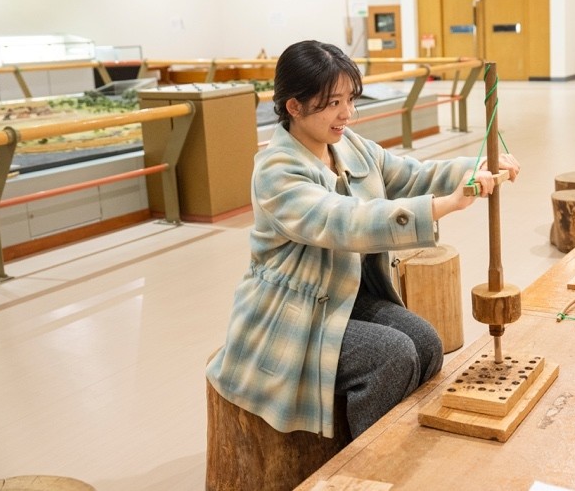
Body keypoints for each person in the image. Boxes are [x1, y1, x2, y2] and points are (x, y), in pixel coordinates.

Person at [206, 40, 520, 439]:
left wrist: (476, 167)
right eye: (333, 103)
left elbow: (410, 175)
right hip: (293, 312)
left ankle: (397, 441)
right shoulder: (277, 171)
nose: (347, 113)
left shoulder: (348, 145)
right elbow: (345, 221)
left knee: (426, 343)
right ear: (294, 107)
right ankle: (364, 460)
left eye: (350, 99)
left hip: (345, 294)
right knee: (390, 356)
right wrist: (443, 206)